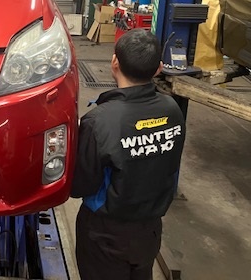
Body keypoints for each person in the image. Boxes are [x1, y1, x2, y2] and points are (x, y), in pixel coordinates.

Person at [71, 28, 185, 280]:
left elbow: (80, 186)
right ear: (158, 69)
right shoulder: (172, 109)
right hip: (149, 232)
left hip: (105, 235)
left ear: (114, 62)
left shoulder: (99, 121)